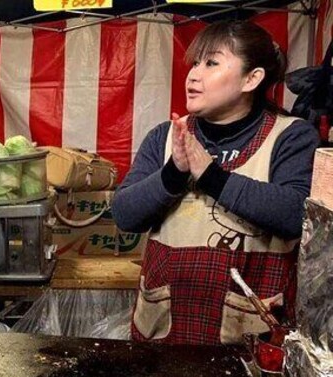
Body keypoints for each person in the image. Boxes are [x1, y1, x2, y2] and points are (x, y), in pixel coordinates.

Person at [112, 21, 319, 345]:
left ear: (252, 78)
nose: (193, 75)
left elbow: (295, 215)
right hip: (163, 335)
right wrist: (175, 171)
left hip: (251, 338)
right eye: (195, 63)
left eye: (211, 63)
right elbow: (124, 215)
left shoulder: (291, 136)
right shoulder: (165, 138)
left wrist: (210, 176)